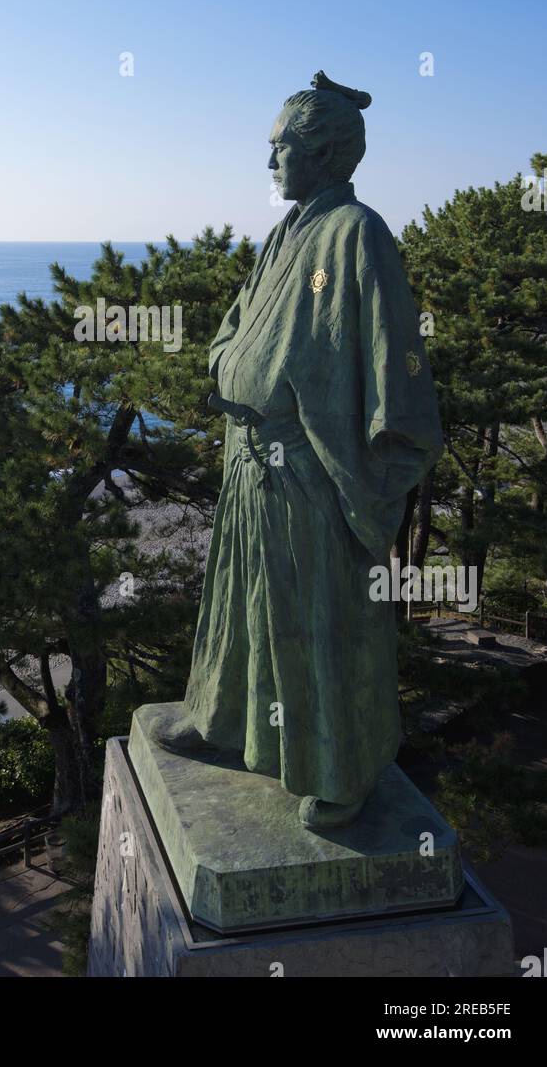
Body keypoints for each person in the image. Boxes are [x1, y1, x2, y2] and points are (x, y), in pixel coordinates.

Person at [152, 71, 443, 831]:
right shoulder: (286, 231)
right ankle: (221, 721)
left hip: (311, 466)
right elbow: (237, 326)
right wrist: (228, 365)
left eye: (277, 148)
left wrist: (373, 466)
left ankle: (338, 767)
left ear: (321, 152)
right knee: (242, 606)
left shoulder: (356, 233)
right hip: (250, 461)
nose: (268, 163)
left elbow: (388, 355)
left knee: (317, 616)